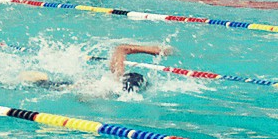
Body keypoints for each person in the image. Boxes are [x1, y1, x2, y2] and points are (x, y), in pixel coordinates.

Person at [19, 43, 169, 94]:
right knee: (27, 81)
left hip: (62, 84)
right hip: (57, 86)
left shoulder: (113, 81)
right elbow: (82, 98)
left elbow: (121, 49)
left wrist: (154, 50)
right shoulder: (113, 88)